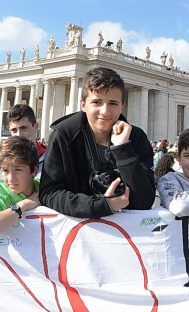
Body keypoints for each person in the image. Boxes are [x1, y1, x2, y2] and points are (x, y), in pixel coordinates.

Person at [39, 67, 156, 218]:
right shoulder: (64, 135)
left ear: (122, 105)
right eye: (97, 102)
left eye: (113, 103)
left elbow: (145, 201)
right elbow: (49, 193)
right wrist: (103, 205)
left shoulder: (136, 138)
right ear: (83, 104)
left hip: (126, 233)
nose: (105, 111)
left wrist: (123, 149)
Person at [0, 136, 41, 239]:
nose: (11, 178)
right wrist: (23, 205)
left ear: (34, 170)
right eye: (5, 171)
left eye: (18, 170)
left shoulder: (43, 187)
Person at [0, 104, 46, 185]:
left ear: (36, 127)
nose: (19, 134)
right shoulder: (1, 164)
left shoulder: (50, 160)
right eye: (14, 130)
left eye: (23, 128)